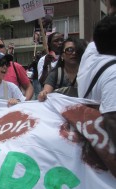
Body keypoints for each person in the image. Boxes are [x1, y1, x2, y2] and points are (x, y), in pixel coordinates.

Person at [77, 15, 116, 177]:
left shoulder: (90, 59)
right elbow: (113, 119)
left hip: (92, 154)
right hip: (107, 159)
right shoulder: (113, 73)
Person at [38, 37, 87, 101]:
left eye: (77, 50)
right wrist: (43, 94)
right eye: (69, 50)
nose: (74, 53)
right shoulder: (55, 74)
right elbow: (46, 92)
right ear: (62, 55)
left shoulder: (86, 73)